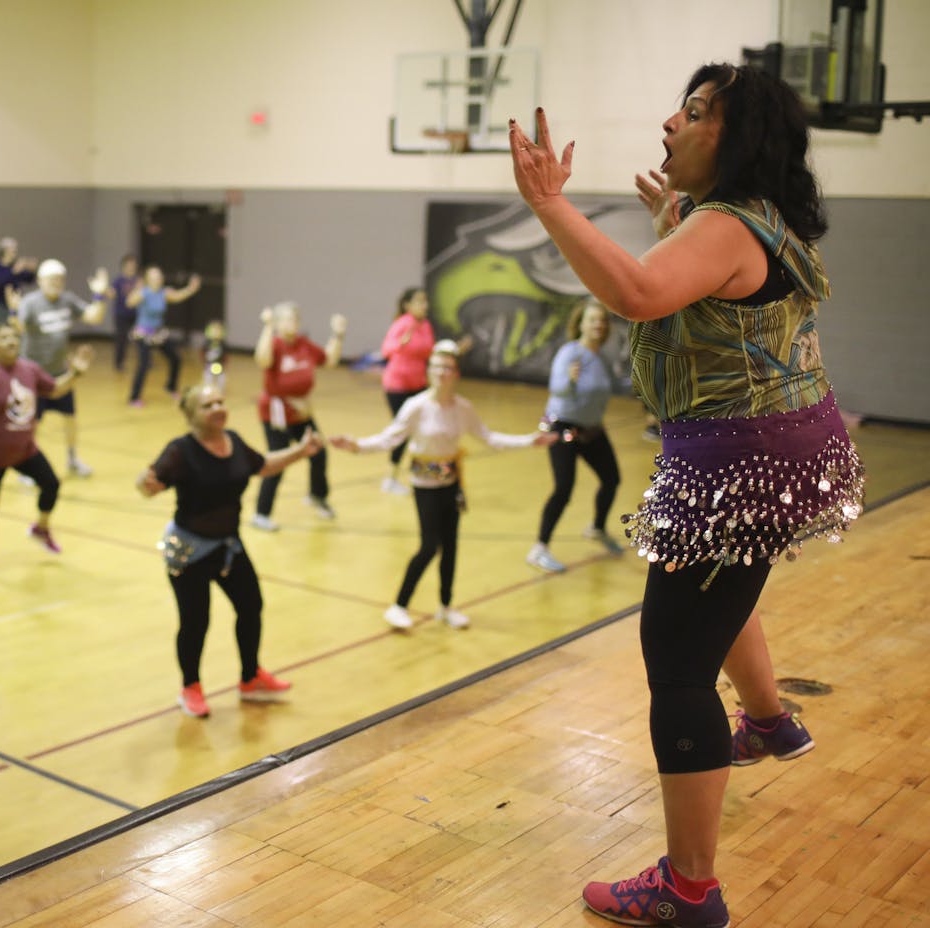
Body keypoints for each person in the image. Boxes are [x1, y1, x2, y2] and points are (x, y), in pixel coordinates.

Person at [508, 63, 864, 927]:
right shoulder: (759, 218)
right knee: (718, 586)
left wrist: (551, 204)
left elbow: (637, 292)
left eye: (695, 111)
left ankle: (689, 887)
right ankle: (774, 721)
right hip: (785, 445)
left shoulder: (727, 224)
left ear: (734, 138)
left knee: (676, 668)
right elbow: (707, 295)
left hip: (738, 460)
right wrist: (671, 220)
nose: (671, 120)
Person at [331, 341, 556, 630]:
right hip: (424, 485)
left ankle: (446, 606)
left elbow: (490, 438)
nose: (441, 371)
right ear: (429, 372)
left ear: (456, 373)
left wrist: (529, 440)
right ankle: (399, 605)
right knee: (429, 546)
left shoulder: (463, 408)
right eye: (436, 366)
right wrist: (356, 446)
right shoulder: (416, 406)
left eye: (447, 367)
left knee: (450, 546)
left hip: (451, 484)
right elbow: (389, 438)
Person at [137, 383, 323, 718]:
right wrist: (144, 483)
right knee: (196, 622)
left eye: (221, 401)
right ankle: (190, 687)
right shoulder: (180, 450)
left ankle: (251, 679)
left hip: (228, 546)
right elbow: (150, 487)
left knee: (251, 606)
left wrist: (301, 450)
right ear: (193, 415)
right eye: (209, 405)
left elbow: (263, 465)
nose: (219, 408)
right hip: (190, 553)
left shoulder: (234, 441)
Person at [0, 323, 92, 583]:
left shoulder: (28, 369)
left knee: (51, 484)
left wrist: (75, 373)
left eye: (14, 336)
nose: (11, 340)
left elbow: (54, 388)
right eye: (4, 336)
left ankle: (40, 528)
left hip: (23, 450)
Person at [526, 299, 624, 573]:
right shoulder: (570, 353)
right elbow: (557, 389)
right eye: (592, 319)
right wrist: (569, 379)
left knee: (611, 479)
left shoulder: (602, 357)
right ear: (580, 323)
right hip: (563, 429)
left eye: (602, 320)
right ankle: (539, 549)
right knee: (563, 489)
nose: (598, 325)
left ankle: (597, 528)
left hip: (592, 429)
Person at [250, 302, 346, 531]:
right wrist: (267, 326)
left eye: (295, 319)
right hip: (276, 415)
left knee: (319, 452)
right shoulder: (274, 343)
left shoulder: (304, 345)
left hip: (301, 414)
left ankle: (317, 495)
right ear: (279, 323)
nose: (292, 324)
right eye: (286, 319)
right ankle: (261, 514)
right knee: (278, 461)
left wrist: (338, 335)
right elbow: (262, 360)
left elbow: (329, 359)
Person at [13, 259, 109, 477]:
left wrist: (100, 295)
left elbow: (94, 316)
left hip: (60, 373)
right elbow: (19, 326)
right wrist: (13, 312)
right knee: (31, 423)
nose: (55, 283)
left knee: (70, 419)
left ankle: (73, 460)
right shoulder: (31, 302)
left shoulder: (67, 300)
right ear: (40, 281)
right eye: (51, 279)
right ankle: (24, 466)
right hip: (33, 376)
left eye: (59, 279)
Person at [378, 287, 435, 495]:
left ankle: (423, 474)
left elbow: (429, 351)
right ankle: (390, 479)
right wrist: (399, 344)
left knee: (425, 431)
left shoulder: (426, 325)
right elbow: (386, 349)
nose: (424, 306)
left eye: (425, 301)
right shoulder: (402, 324)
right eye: (419, 301)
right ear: (407, 305)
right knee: (403, 432)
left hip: (419, 385)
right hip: (397, 386)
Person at [126, 266, 201, 407]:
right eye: (153, 277)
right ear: (148, 279)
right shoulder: (144, 293)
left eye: (159, 276)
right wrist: (136, 291)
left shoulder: (164, 293)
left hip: (158, 333)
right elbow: (129, 302)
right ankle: (134, 397)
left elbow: (178, 296)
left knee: (175, 358)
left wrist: (191, 288)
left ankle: (171, 387)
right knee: (144, 364)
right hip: (143, 333)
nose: (157, 279)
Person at [0, 236, 37, 321]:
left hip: (17, 305)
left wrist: (32, 271)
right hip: (2, 307)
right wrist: (14, 271)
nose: (14, 253)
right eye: (12, 250)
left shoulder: (13, 266)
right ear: (4, 251)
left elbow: (28, 279)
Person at [109, 254, 141, 371]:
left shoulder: (138, 281)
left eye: (133, 265)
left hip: (136, 314)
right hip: (121, 314)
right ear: (124, 266)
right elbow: (111, 293)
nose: (131, 267)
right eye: (129, 265)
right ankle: (119, 363)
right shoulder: (118, 280)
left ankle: (145, 361)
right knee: (121, 339)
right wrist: (103, 291)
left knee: (141, 338)